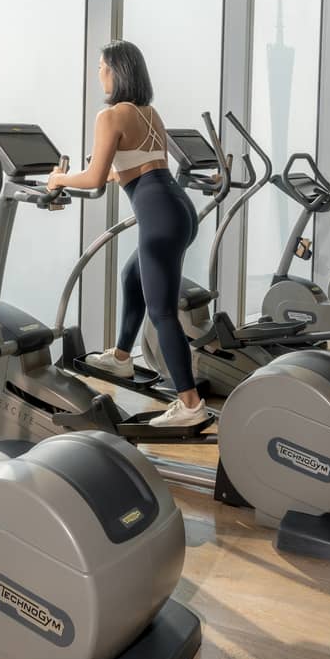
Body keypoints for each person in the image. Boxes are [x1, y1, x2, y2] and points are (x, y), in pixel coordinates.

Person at [46, 40, 208, 427]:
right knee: (131, 276)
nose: (98, 73)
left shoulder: (111, 116)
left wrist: (59, 178)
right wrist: (108, 173)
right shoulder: (149, 113)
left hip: (159, 215)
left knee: (162, 312)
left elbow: (93, 178)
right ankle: (121, 358)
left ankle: (190, 404)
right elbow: (141, 166)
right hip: (178, 207)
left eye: (101, 66)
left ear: (117, 71)